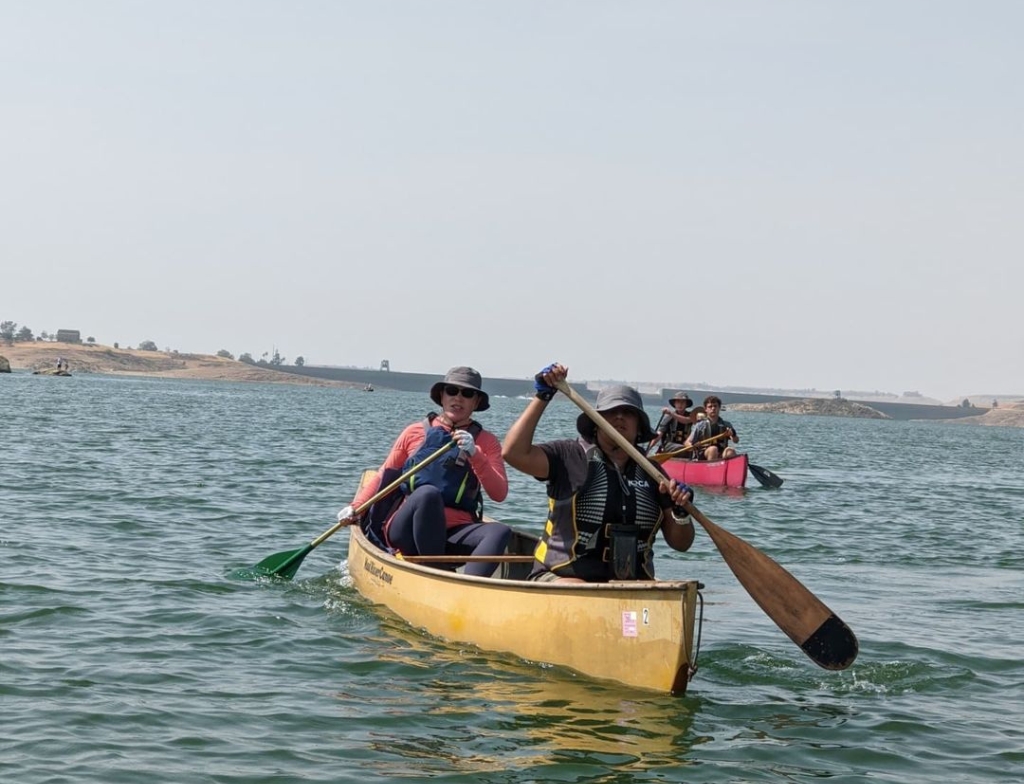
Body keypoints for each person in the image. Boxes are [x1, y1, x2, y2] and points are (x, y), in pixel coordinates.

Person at [502, 362, 695, 583]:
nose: (620, 417)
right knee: (577, 590)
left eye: (628, 413)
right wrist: (543, 396)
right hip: (560, 578)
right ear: (596, 423)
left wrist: (681, 513)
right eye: (610, 412)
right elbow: (513, 453)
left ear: (640, 427)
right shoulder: (569, 456)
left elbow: (682, 544)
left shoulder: (655, 475)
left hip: (630, 585)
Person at [339, 366, 511, 578]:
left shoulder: (486, 442)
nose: (458, 398)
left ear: (476, 402)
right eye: (452, 391)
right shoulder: (414, 432)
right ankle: (437, 574)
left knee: (501, 531)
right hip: (407, 529)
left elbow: (499, 493)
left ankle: (471, 587)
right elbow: (385, 475)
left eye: (467, 394)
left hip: (455, 532)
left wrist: (476, 454)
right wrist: (355, 508)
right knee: (428, 494)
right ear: (442, 395)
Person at [683, 395, 738, 460]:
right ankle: (711, 468)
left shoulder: (726, 424)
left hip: (721, 452)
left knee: (730, 451)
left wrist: (733, 434)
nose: (713, 408)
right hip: (705, 453)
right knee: (713, 449)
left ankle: (729, 469)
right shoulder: (700, 425)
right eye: (710, 406)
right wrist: (691, 446)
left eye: (715, 406)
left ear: (719, 408)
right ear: (706, 409)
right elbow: (687, 442)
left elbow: (736, 441)